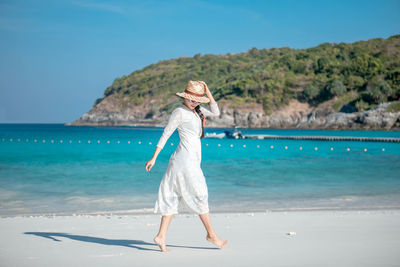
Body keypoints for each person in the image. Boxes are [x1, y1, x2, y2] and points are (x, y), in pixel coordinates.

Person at [145, 80, 228, 252]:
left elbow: (216, 111)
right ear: (184, 97)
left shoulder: (198, 111)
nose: (194, 101)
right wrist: (154, 157)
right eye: (191, 98)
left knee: (173, 196)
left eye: (197, 99)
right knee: (200, 194)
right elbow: (166, 134)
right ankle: (211, 234)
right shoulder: (179, 112)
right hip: (184, 161)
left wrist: (207, 91)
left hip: (190, 161)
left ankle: (160, 236)